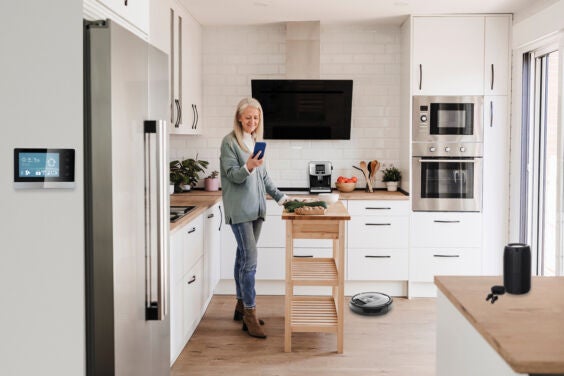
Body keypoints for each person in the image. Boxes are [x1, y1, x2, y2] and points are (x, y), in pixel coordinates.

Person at [219, 97, 288, 339]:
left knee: (243, 256)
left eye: (256, 117)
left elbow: (264, 177)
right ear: (239, 117)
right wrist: (247, 166)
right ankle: (250, 313)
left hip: (257, 209)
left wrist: (282, 198)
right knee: (250, 260)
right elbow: (232, 176)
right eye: (248, 117)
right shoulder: (229, 142)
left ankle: (240, 305)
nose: (252, 121)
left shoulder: (255, 141)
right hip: (239, 209)